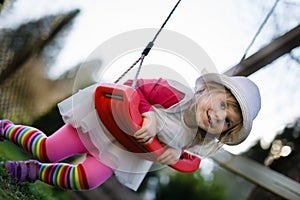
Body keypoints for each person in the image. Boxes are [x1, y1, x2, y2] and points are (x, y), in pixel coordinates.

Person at [0, 73, 261, 191]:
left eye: (227, 122)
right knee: (48, 149)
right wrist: (149, 114)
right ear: (210, 90)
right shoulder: (175, 94)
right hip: (103, 123)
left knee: (87, 179)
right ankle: (6, 128)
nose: (217, 116)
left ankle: (33, 171)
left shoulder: (195, 138)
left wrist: (173, 153)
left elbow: (178, 151)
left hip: (122, 151)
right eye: (223, 105)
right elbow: (133, 87)